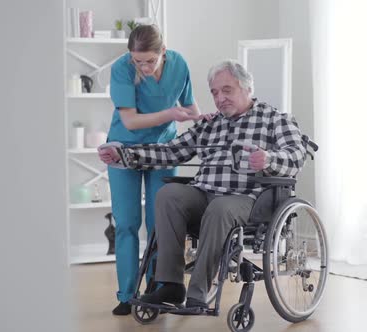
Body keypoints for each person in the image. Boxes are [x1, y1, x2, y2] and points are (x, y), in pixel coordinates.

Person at [99, 59, 307, 309]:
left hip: (248, 199)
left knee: (220, 207)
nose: (220, 99)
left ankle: (198, 293)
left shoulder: (275, 119)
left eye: (226, 90)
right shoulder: (210, 124)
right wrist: (125, 155)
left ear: (247, 88)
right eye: (215, 93)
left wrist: (269, 158)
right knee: (169, 194)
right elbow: (170, 152)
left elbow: (297, 155)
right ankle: (171, 285)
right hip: (205, 194)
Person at [105, 24, 205, 316]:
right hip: (124, 150)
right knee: (126, 223)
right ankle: (126, 294)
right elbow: (131, 122)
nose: (144, 67)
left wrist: (205, 119)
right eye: (138, 61)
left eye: (150, 60)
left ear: (164, 51)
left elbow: (190, 107)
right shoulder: (122, 69)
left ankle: (156, 289)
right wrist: (171, 114)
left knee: (161, 224)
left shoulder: (180, 64)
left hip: (164, 151)